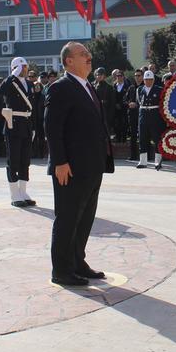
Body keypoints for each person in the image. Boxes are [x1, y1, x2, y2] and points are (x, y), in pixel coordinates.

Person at [44, 41, 113, 286]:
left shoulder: (87, 86)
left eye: (88, 53)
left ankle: (77, 262)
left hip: (91, 166)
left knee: (84, 218)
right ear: (68, 61)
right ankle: (61, 270)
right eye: (83, 54)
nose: (89, 57)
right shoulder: (60, 87)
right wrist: (60, 162)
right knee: (68, 218)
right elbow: (52, 128)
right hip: (70, 168)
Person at [0, 57, 36, 207]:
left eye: (26, 67)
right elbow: (2, 90)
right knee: (13, 159)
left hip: (26, 123)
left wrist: (33, 127)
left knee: (25, 160)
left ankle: (23, 191)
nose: (26, 70)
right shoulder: (10, 82)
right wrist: (13, 74)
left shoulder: (28, 83)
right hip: (13, 124)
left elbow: (31, 107)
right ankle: (14, 194)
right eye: (23, 67)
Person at [136, 70, 164, 169]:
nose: (148, 81)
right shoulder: (139, 89)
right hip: (143, 114)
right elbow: (139, 102)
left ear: (153, 80)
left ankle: (157, 161)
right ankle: (143, 161)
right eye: (146, 79)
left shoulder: (159, 89)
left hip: (154, 114)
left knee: (157, 137)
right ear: (143, 80)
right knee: (143, 138)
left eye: (150, 79)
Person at [126, 69, 143, 160]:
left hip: (142, 114)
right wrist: (129, 103)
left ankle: (143, 155)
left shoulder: (145, 87)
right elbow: (125, 99)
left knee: (143, 135)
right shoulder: (131, 88)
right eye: (136, 76)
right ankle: (133, 155)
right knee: (133, 135)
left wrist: (137, 104)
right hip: (132, 114)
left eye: (139, 75)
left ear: (143, 77)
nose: (137, 77)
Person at [93, 67, 116, 135]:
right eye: (97, 74)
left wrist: (110, 117)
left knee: (106, 136)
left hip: (106, 115)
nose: (99, 76)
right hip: (96, 115)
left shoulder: (109, 88)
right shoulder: (93, 87)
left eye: (100, 74)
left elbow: (112, 104)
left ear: (104, 76)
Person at [111, 69, 131, 143]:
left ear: (123, 76)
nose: (119, 77)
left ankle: (124, 138)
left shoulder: (127, 85)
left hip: (124, 108)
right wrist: (116, 104)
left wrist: (122, 104)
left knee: (124, 123)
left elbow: (128, 97)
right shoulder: (114, 85)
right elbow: (112, 97)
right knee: (117, 123)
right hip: (116, 108)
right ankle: (118, 137)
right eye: (117, 76)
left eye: (120, 76)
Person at [31, 80, 46, 158]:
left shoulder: (43, 97)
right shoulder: (31, 97)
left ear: (41, 87)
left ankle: (41, 153)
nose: (37, 88)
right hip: (32, 119)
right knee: (33, 136)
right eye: (35, 86)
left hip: (40, 119)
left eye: (38, 86)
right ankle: (33, 153)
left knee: (41, 137)